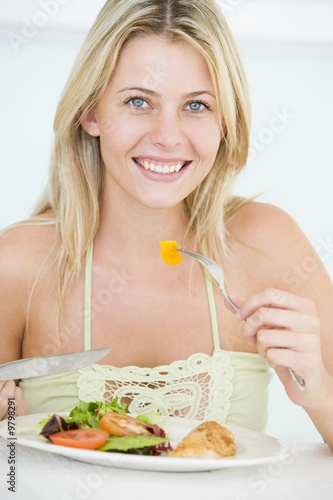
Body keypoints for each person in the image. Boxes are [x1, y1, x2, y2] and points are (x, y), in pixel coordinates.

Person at [1, 0, 333, 449]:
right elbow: (10, 475)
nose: (168, 136)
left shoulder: (269, 244)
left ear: (225, 123)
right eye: (138, 101)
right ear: (91, 112)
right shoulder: (19, 264)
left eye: (196, 106)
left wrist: (320, 395)